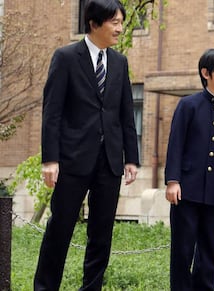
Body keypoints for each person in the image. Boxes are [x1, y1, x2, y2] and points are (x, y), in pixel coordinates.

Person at [34, 0, 139, 289]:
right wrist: (50, 160)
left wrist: (131, 157)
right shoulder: (66, 57)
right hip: (72, 160)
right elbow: (52, 112)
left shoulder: (120, 62)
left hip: (109, 162)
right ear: (94, 23)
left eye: (121, 22)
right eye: (114, 22)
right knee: (60, 229)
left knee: (101, 234)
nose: (120, 28)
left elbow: (125, 113)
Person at [164, 48, 214, 291]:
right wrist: (172, 180)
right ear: (206, 73)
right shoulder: (188, 105)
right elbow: (175, 145)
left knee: (209, 251)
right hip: (185, 192)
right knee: (182, 250)